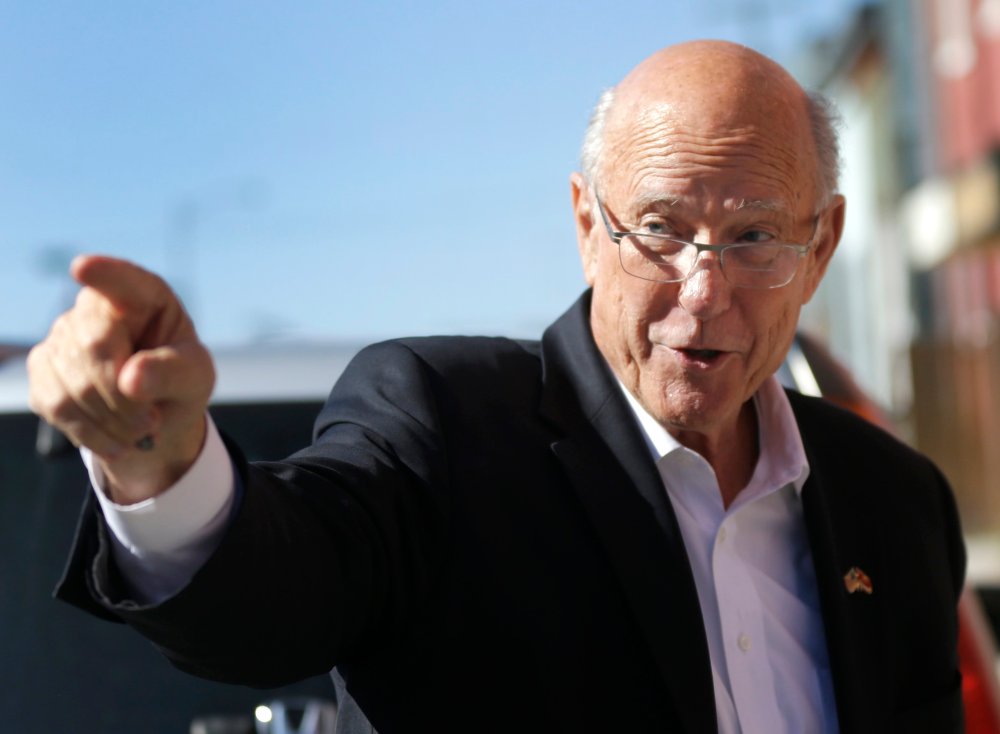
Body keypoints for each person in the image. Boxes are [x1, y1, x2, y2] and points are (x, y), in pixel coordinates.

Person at [29, 40, 965, 734]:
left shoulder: (897, 502)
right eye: (660, 230)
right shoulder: (443, 426)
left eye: (754, 236)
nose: (704, 290)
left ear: (822, 247)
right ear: (586, 227)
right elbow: (269, 601)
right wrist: (159, 463)